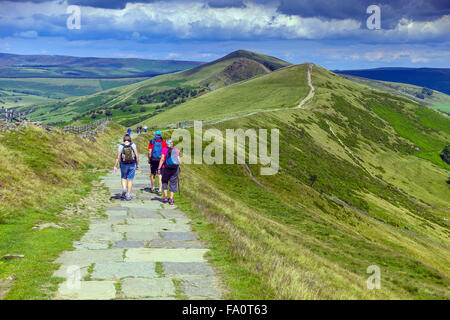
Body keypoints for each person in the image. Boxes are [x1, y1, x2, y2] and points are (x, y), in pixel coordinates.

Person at [114, 134, 139, 201]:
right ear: (129, 139)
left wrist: (115, 166)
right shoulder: (133, 145)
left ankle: (124, 188)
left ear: (124, 139)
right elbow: (136, 155)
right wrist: (137, 164)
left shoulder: (121, 146)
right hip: (132, 164)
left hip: (123, 164)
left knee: (123, 177)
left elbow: (118, 157)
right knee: (130, 179)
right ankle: (128, 195)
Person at [158, 139, 180, 205]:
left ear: (166, 144)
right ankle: (171, 199)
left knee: (164, 181)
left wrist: (159, 168)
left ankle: (165, 197)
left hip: (166, 168)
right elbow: (179, 160)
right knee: (173, 182)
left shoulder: (164, 149)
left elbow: (162, 159)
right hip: (175, 169)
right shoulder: (176, 150)